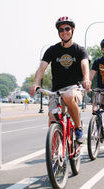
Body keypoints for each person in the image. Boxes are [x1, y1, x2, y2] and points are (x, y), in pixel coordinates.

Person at [29, 16, 91, 144]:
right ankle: (56, 155)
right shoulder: (52, 50)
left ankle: (78, 129)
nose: (64, 32)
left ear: (72, 30)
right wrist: (35, 83)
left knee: (68, 97)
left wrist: (86, 79)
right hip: (56, 91)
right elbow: (41, 68)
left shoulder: (80, 50)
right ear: (58, 32)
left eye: (67, 28)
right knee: (52, 119)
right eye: (61, 29)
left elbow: (85, 64)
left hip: (75, 88)